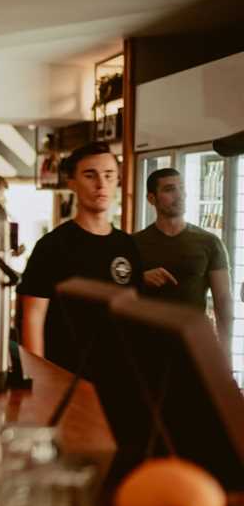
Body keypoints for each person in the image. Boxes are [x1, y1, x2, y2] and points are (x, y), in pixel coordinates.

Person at [17, 142, 143, 373]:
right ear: (71, 182)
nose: (101, 184)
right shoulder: (52, 246)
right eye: (90, 175)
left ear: (117, 180)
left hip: (117, 377)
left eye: (108, 175)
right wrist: (36, 378)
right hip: (64, 377)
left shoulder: (127, 245)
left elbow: (132, 316)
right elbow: (32, 317)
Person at [133, 168, 233, 360]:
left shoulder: (210, 243)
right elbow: (115, 294)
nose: (179, 196)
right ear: (151, 199)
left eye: (182, 189)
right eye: (170, 189)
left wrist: (226, 352)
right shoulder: (133, 244)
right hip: (145, 349)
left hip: (194, 348)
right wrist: (139, 279)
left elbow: (223, 300)